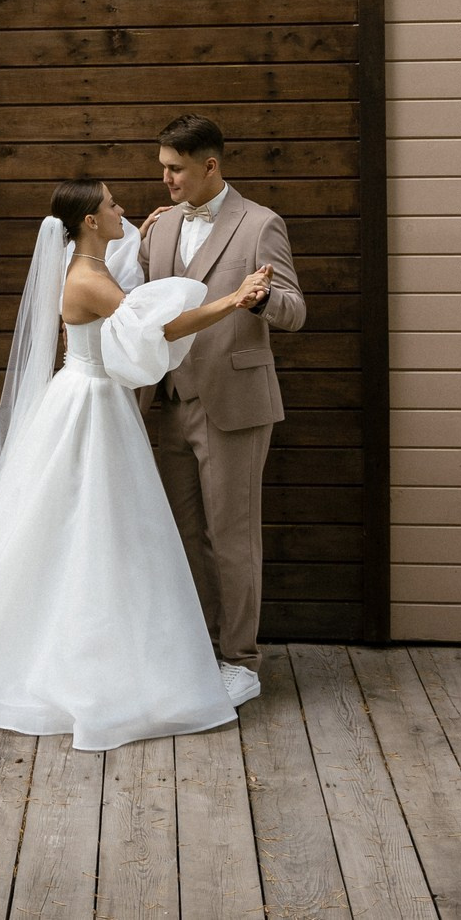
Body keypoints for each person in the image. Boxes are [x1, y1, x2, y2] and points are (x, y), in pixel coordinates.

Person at [0, 177, 274, 749]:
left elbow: (119, 272)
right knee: (97, 527)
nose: (124, 207)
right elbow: (160, 328)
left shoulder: (90, 264)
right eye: (112, 205)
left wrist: (136, 237)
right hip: (92, 406)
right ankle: (93, 662)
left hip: (94, 399)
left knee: (101, 527)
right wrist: (231, 299)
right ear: (91, 222)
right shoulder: (86, 279)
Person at [138, 114, 305, 708]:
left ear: (210, 165)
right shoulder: (158, 229)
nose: (166, 180)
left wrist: (261, 302)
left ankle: (240, 660)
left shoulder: (261, 224)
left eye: (175, 169)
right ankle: (198, 649)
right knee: (183, 534)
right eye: (162, 168)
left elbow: (295, 310)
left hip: (233, 405)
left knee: (232, 536)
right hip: (170, 402)